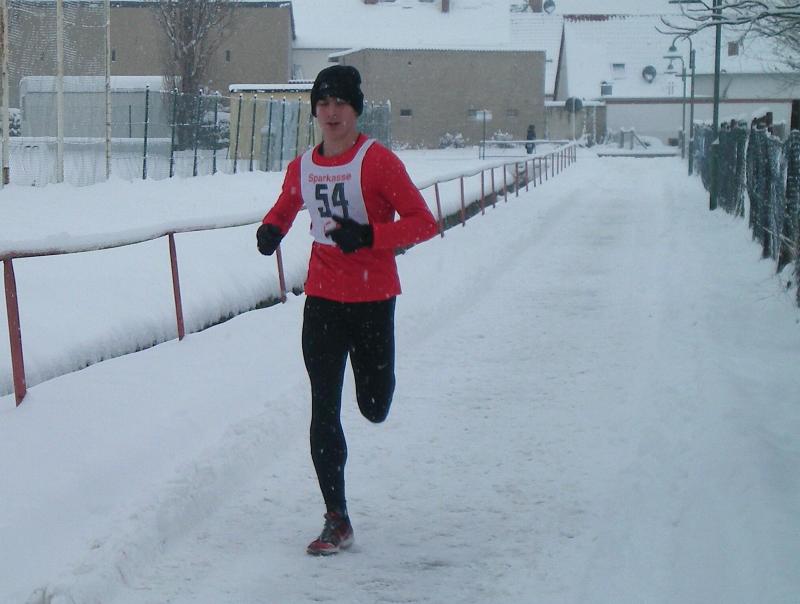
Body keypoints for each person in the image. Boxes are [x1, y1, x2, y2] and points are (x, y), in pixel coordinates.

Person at [256, 64, 438, 556]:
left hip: (373, 301)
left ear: (356, 109)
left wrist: (371, 236)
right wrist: (271, 229)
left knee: (373, 406)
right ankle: (336, 517)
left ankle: (376, 396)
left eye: (340, 103)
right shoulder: (303, 166)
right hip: (323, 301)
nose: (331, 112)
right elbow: (288, 203)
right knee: (323, 406)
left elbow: (424, 222)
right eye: (323, 103)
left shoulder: (378, 163)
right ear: (315, 110)